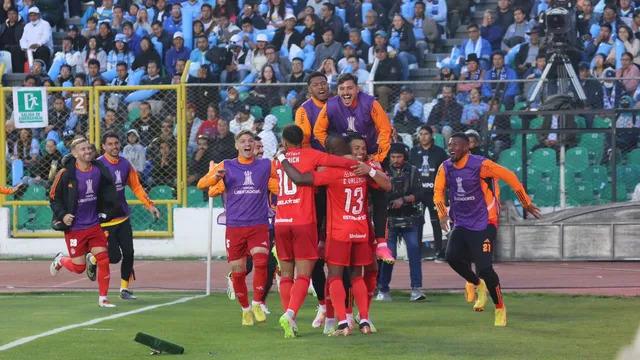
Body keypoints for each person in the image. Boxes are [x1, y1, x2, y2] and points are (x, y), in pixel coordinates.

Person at [278, 135, 390, 336]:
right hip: (361, 230)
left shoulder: (331, 171)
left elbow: (300, 179)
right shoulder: (362, 168)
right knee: (357, 277)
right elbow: (387, 186)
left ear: (329, 152)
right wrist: (371, 170)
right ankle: (364, 319)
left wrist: (283, 159)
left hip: (339, 232)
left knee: (335, 277)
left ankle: (342, 324)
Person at [434, 133, 541, 327]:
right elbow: (438, 192)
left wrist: (525, 202)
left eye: (456, 145)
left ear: (467, 148)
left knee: (485, 267)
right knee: (451, 257)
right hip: (461, 222)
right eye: (450, 145)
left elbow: (510, 176)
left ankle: (500, 307)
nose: (452, 148)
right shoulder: (445, 167)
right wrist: (442, 214)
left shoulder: (481, 165)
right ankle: (477, 283)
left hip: (485, 222)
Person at [274, 125, 360, 338]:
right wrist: (361, 165)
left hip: (281, 221)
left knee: (286, 274)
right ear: (303, 140)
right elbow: (339, 162)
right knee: (305, 274)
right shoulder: (311, 155)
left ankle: (290, 321)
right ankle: (291, 314)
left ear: (284, 142)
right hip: (303, 221)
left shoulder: (277, 160)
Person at [197, 130, 278, 326]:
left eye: (250, 141)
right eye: (243, 141)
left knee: (261, 261)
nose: (247, 144)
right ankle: (245, 309)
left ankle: (258, 302)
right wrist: (215, 177)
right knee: (238, 270)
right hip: (235, 227)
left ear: (256, 146)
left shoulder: (266, 165)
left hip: (258, 224)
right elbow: (201, 185)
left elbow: (283, 182)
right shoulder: (227, 165)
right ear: (236, 145)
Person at [84, 132, 161, 300]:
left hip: (123, 217)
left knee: (129, 253)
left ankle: (124, 289)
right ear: (103, 147)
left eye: (116, 143)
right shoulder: (96, 166)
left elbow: (137, 187)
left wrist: (150, 206)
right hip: (104, 221)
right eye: (110, 144)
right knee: (113, 257)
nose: (114, 147)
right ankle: (93, 259)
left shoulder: (125, 164)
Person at [49, 138, 122, 307]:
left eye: (89, 148)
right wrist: (63, 215)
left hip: (94, 225)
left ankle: (103, 298)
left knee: (103, 259)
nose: (87, 151)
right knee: (79, 268)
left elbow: (109, 191)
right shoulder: (65, 173)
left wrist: (108, 211)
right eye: (82, 149)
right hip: (75, 228)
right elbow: (53, 198)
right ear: (75, 153)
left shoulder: (99, 169)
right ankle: (61, 260)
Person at [377, 143, 425, 302]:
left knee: (414, 251)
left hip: (410, 218)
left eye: (399, 157)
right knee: (389, 255)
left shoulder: (413, 171)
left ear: (405, 157)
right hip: (389, 220)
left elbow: (419, 194)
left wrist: (403, 200)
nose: (396, 160)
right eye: (393, 157)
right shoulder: (383, 170)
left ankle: (416, 289)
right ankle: (383, 290)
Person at [313, 73, 392, 164]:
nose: (346, 92)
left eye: (350, 88)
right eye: (342, 89)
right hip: (345, 155)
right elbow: (318, 130)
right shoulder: (330, 105)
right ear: (337, 91)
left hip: (371, 152)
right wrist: (338, 151)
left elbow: (385, 129)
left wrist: (379, 157)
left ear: (357, 89)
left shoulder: (371, 103)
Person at [409, 125, 448, 261]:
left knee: (436, 221)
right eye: (421, 134)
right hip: (418, 192)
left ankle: (439, 251)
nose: (423, 136)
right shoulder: (413, 152)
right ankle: (417, 252)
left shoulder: (440, 152)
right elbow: (409, 171)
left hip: (434, 192)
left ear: (431, 136)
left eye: (426, 134)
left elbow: (445, 171)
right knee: (417, 222)